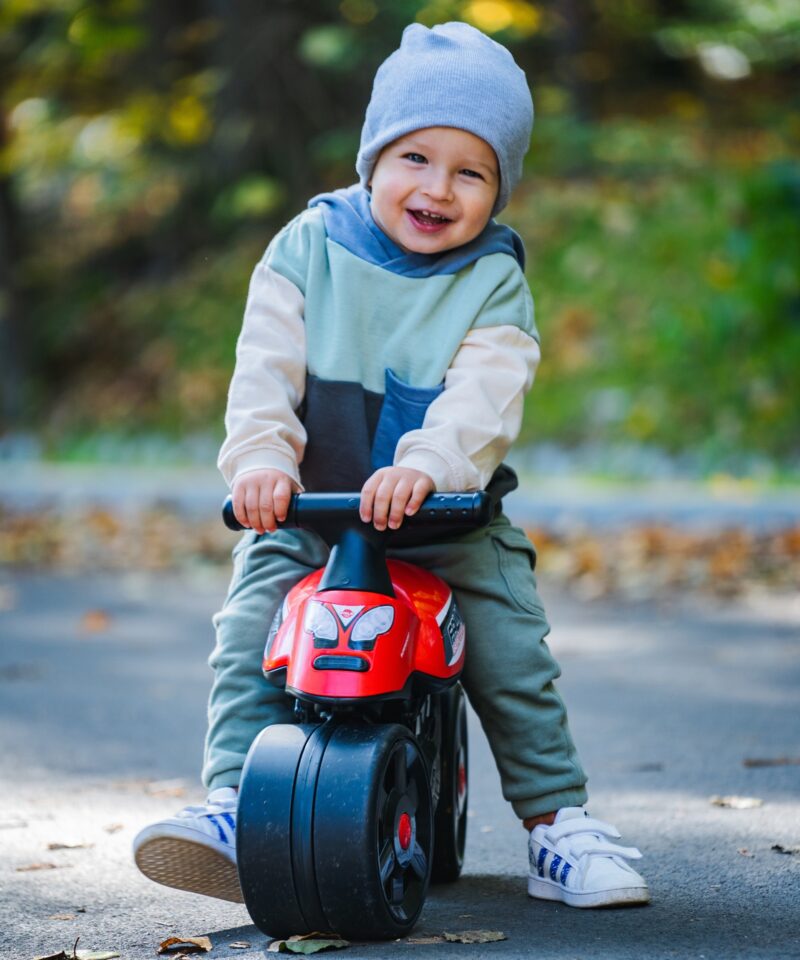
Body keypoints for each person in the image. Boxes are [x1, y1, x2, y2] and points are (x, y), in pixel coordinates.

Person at [133, 21, 649, 910]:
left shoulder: (492, 277)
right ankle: (233, 800)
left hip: (446, 520)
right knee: (250, 627)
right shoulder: (308, 247)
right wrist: (261, 461)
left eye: (472, 172)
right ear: (373, 156)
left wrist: (435, 464)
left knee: (510, 649)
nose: (438, 188)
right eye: (415, 157)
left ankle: (557, 825)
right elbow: (264, 370)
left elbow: (483, 397)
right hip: (312, 514)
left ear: (500, 189)